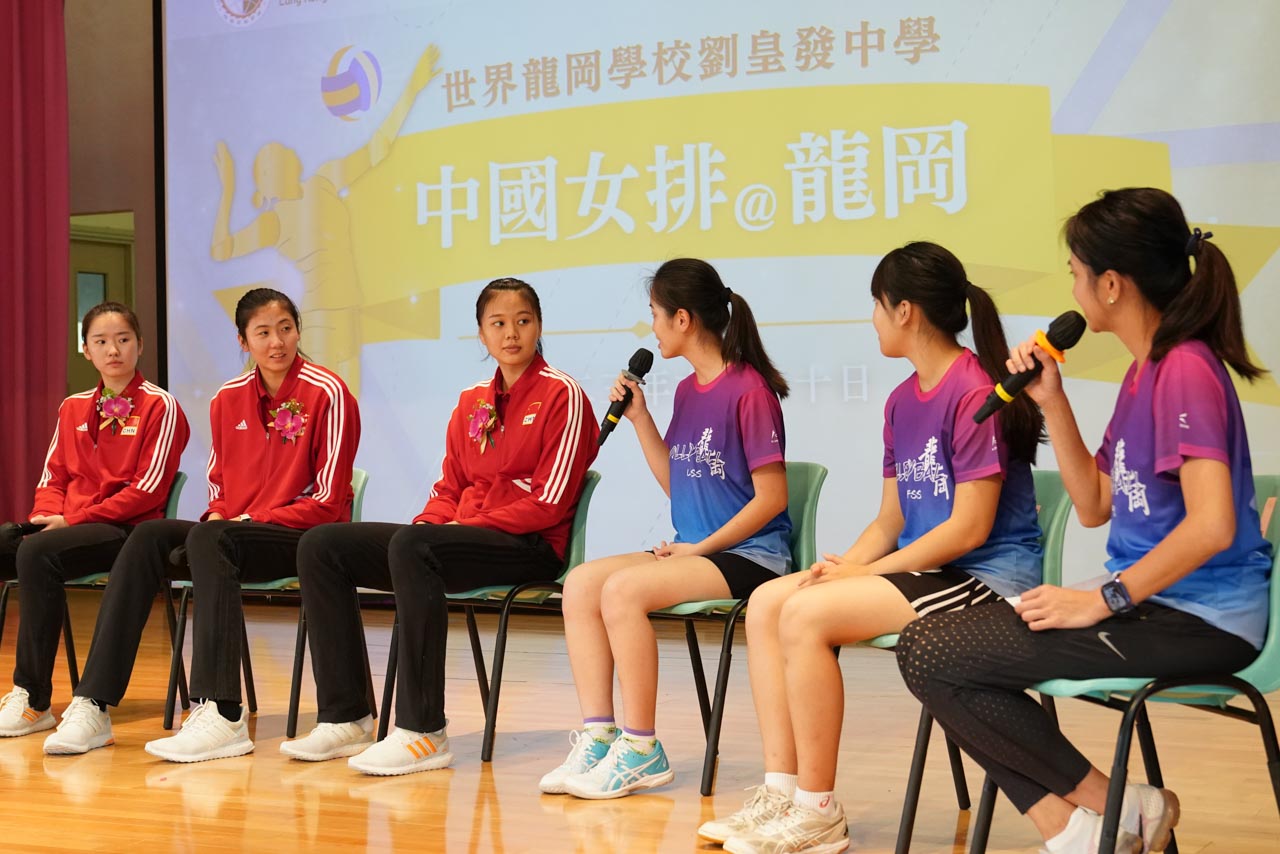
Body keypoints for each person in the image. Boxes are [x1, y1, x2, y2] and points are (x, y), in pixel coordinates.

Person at [896, 189, 1272, 854]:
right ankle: (1087, 820)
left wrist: (1104, 599)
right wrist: (1052, 401)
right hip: (1153, 605)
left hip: (1201, 620)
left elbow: (1212, 525)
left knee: (934, 653)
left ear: (1111, 284)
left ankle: (1108, 812)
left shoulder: (1185, 370)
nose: (1072, 288)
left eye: (1075, 273)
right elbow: (1095, 503)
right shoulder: (1144, 372)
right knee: (927, 646)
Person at [702, 242, 1046, 854]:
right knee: (770, 603)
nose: (873, 319)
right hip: (929, 572)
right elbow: (891, 518)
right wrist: (848, 564)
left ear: (905, 310)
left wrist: (868, 574)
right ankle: (782, 791)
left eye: (877, 306)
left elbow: (969, 530)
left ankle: (818, 811)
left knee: (808, 616)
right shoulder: (900, 401)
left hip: (986, 579)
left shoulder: (974, 390)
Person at [281, 277, 598, 776]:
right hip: (465, 538)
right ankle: (346, 717)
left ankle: (422, 730)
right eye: (498, 323)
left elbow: (549, 504)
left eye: (523, 321)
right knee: (323, 545)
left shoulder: (564, 395)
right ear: (481, 334)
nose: (511, 333)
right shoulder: (472, 401)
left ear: (539, 326)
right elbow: (449, 486)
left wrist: (454, 529)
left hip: (529, 546)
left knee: (415, 546)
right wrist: (430, 526)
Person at [40, 287, 360, 760]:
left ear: (298, 332)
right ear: (243, 340)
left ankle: (222, 712)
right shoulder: (227, 398)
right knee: (150, 535)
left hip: (300, 535)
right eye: (263, 333)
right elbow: (218, 484)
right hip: (234, 535)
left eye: (286, 329)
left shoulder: (327, 391)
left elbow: (328, 500)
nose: (276, 342)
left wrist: (244, 520)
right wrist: (221, 514)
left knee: (213, 538)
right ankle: (94, 703)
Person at [539, 258, 792, 800]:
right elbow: (678, 484)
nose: (651, 326)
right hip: (697, 552)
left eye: (655, 313)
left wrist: (698, 550)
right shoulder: (687, 392)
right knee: (581, 584)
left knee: (623, 592)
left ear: (682, 319)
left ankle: (641, 747)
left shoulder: (749, 390)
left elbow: (773, 498)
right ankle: (599, 735)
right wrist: (639, 418)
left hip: (750, 557)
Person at [0, 303, 189, 738]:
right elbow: (53, 477)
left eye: (123, 339)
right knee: (17, 545)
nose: (113, 350)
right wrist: (45, 516)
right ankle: (28, 696)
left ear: (140, 345)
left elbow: (147, 491)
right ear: (86, 350)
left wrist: (72, 520)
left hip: (126, 531)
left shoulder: (160, 406)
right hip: (69, 528)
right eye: (101, 342)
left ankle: (32, 698)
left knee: (37, 553)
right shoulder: (73, 407)